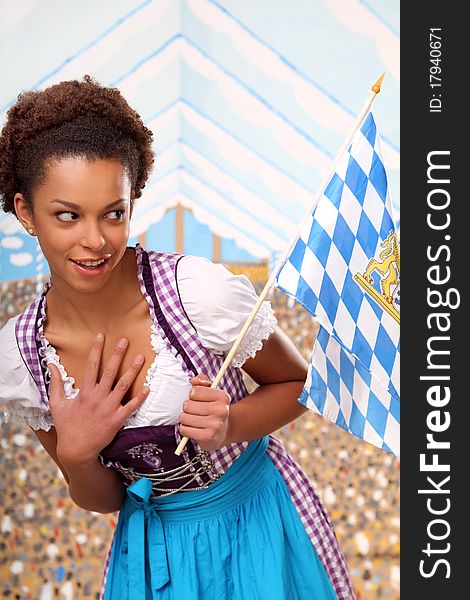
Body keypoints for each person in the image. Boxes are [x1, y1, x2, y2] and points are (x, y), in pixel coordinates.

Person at [0, 76, 355, 599]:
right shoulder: (21, 355)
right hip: (150, 556)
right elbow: (107, 500)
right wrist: (77, 456)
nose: (95, 240)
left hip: (257, 528)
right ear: (26, 213)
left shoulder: (197, 294)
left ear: (133, 199)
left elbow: (302, 382)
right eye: (67, 215)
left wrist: (231, 423)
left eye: (113, 213)